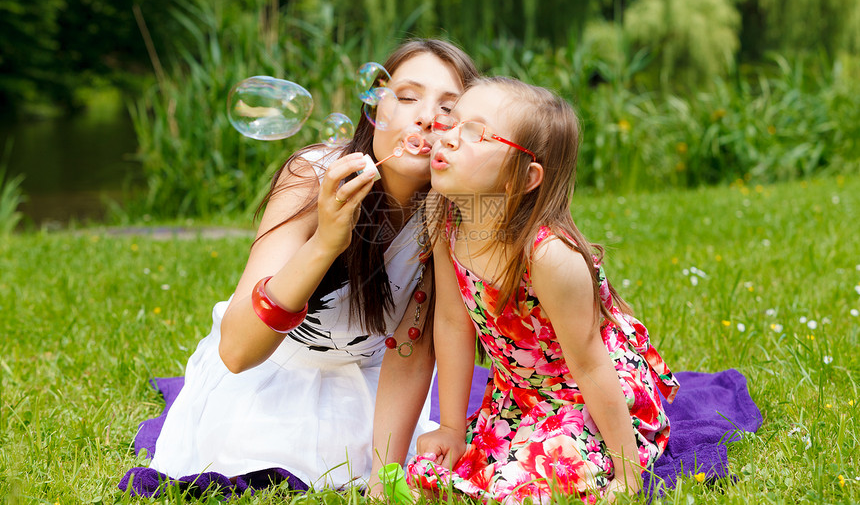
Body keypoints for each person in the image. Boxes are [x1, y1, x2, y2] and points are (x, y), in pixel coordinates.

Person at [142, 39, 480, 493]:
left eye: (447, 108)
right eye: (405, 97)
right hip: (274, 374)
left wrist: (385, 476)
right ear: (373, 109)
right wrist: (325, 241)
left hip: (373, 387)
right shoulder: (313, 176)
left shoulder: (448, 212)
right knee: (262, 455)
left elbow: (411, 350)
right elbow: (238, 352)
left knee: (378, 467)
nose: (424, 117)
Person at [406, 77, 680, 504]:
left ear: (526, 176)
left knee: (539, 484)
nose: (448, 138)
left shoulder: (549, 256)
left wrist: (627, 475)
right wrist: (452, 429)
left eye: (475, 132)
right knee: (457, 473)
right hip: (518, 391)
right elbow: (452, 321)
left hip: (583, 391)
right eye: (451, 122)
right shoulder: (444, 217)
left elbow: (591, 365)